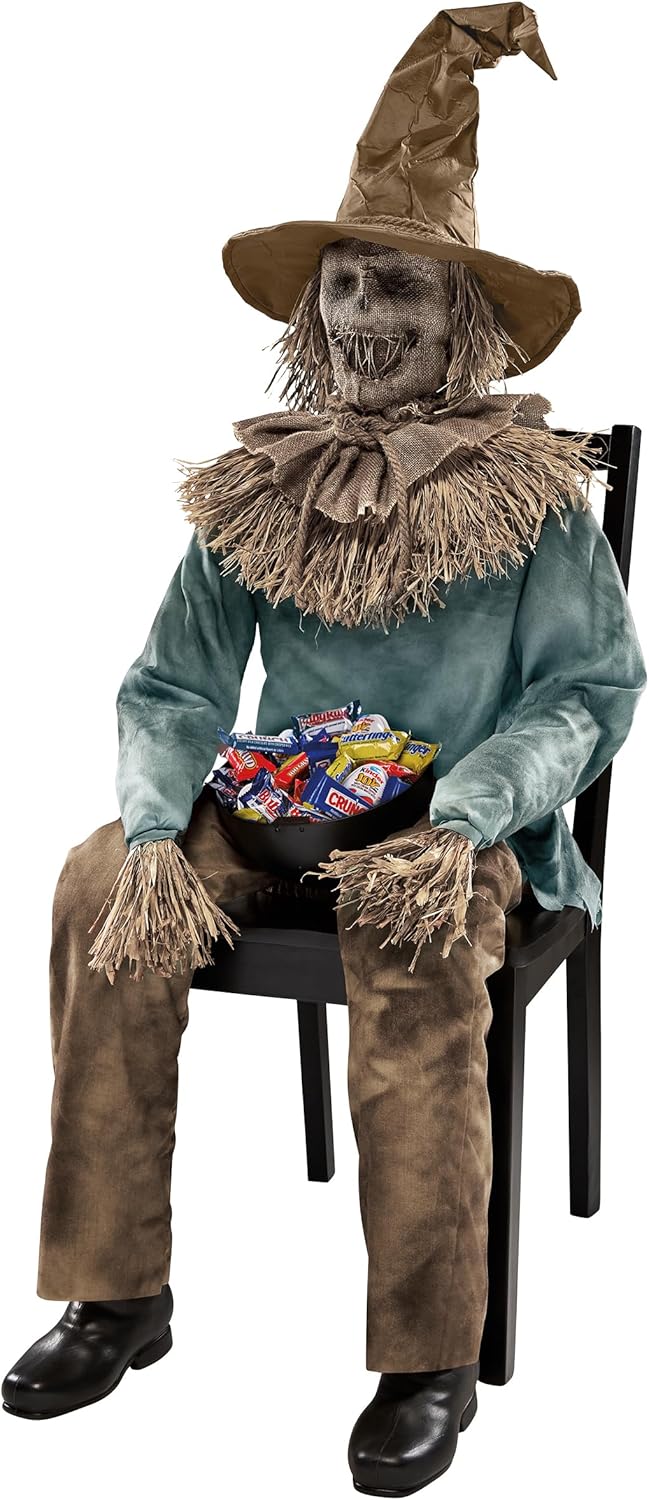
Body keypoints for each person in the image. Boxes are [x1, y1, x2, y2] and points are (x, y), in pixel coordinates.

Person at [3, 7, 645, 1494]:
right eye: (342, 283)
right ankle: (115, 1294)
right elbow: (169, 684)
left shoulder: (535, 498)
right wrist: (155, 832)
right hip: (278, 800)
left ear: (461, 315)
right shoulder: (256, 488)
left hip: (457, 825)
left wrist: (469, 815)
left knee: (414, 944)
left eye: (396, 285)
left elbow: (587, 693)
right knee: (97, 893)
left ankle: (426, 1357)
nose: (361, 310)